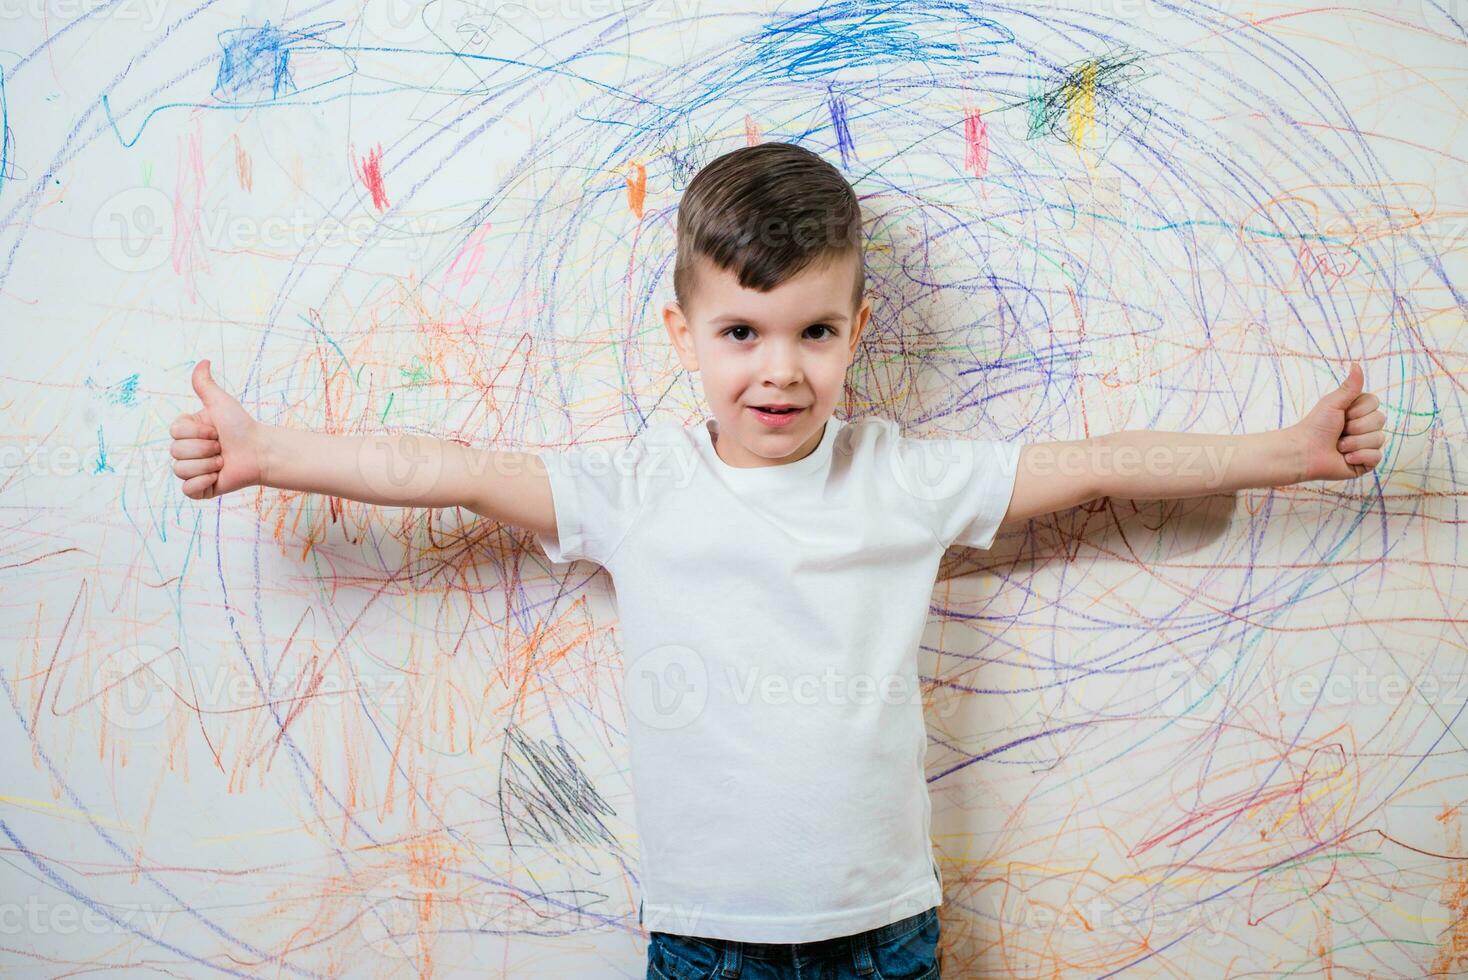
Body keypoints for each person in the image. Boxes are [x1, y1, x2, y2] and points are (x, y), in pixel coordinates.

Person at [167, 142, 1387, 979]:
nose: (779, 369)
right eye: (740, 332)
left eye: (813, 332)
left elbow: (1100, 461)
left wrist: (1284, 450)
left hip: (885, 929)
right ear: (683, 336)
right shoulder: (638, 489)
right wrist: (267, 448)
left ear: (858, 330)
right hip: (707, 937)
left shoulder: (898, 476)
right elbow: (443, 467)